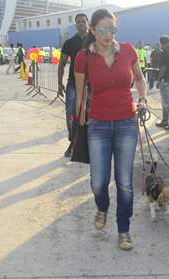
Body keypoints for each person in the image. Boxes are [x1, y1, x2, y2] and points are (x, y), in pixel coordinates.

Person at [74, 9, 147, 250]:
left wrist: (143, 99)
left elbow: (139, 78)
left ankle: (124, 230)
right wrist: (78, 119)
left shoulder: (127, 50)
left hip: (127, 122)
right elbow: (81, 92)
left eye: (112, 29)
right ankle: (102, 207)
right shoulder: (83, 57)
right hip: (98, 125)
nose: (108, 34)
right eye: (103, 29)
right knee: (98, 182)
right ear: (93, 29)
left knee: (124, 182)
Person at [58, 13, 89, 157]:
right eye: (78, 22)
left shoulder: (95, 41)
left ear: (88, 23)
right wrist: (59, 83)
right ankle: (73, 141)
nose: (81, 24)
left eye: (83, 21)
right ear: (75, 24)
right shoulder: (69, 43)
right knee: (70, 112)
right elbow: (62, 64)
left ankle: (87, 142)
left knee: (89, 113)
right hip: (72, 83)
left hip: (91, 84)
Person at [156, 34, 169, 130]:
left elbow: (163, 68)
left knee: (167, 103)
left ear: (161, 43)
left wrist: (159, 79)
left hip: (165, 80)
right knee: (166, 101)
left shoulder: (164, 53)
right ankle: (165, 120)